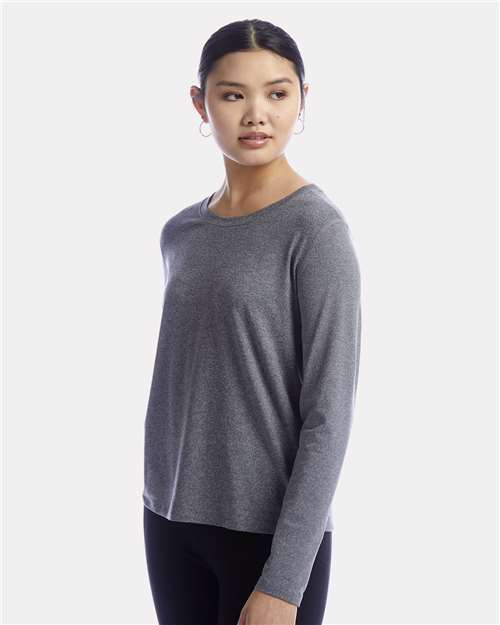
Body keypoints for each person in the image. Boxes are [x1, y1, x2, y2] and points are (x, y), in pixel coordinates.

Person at [142, 18, 362, 625]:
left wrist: (285, 581)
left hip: (268, 538)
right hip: (169, 521)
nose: (256, 114)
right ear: (201, 103)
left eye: (277, 93)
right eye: (233, 94)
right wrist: (156, 499)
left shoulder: (316, 232)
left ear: (301, 100)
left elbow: (329, 415)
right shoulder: (181, 232)